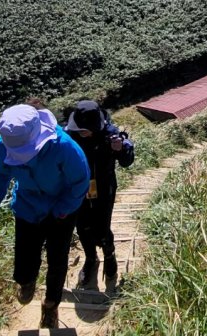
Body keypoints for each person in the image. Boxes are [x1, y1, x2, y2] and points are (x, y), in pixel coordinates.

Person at [0, 103, 90, 329]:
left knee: (57, 258)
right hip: (28, 205)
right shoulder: (2, 146)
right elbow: (1, 174)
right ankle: (26, 282)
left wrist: (63, 209)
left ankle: (50, 305)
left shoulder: (64, 147)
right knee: (24, 255)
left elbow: (80, 183)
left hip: (61, 208)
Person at [64, 100, 135, 292]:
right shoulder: (69, 135)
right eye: (79, 128)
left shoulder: (110, 134)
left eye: (85, 129)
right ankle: (91, 259)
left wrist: (121, 149)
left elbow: (127, 161)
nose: (81, 132)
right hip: (78, 189)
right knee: (82, 225)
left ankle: (109, 256)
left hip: (104, 188)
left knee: (102, 225)